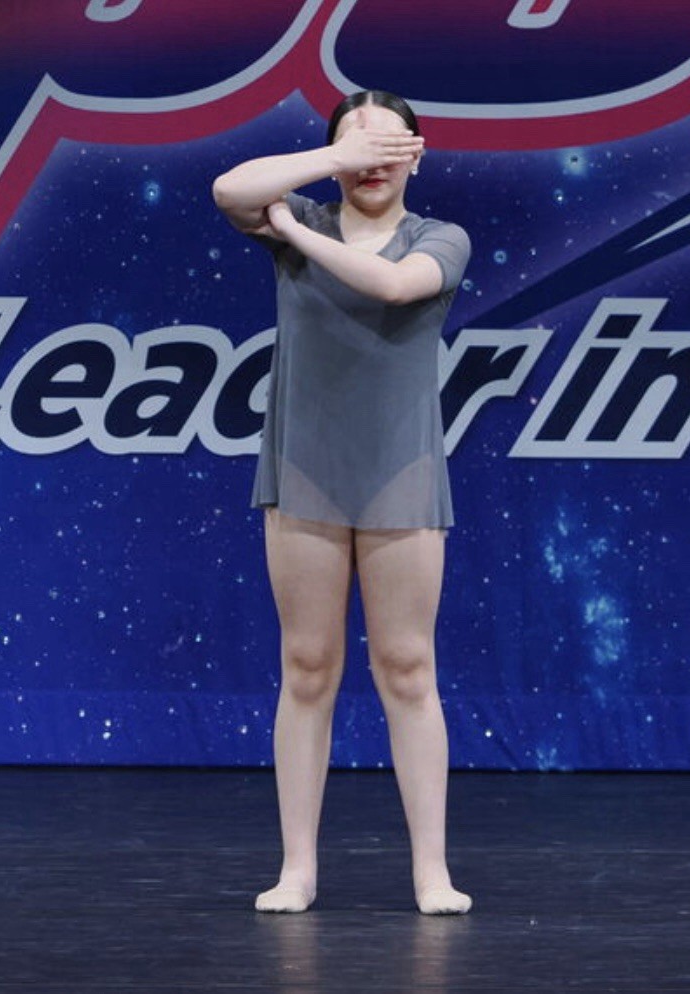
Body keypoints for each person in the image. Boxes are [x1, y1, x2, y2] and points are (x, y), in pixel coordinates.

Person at [212, 90, 472, 915]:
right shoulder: (301, 212)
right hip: (304, 470)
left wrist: (290, 233)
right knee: (307, 666)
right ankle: (297, 868)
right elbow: (228, 189)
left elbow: (392, 287)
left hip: (400, 471)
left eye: (388, 148)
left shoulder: (438, 237)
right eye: (356, 149)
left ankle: (431, 871)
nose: (370, 164)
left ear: (416, 155)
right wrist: (333, 163)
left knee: (407, 667)